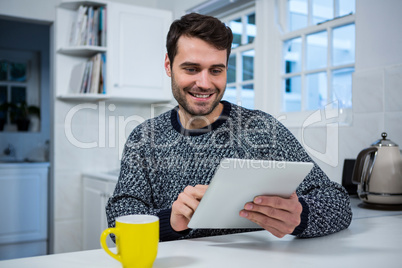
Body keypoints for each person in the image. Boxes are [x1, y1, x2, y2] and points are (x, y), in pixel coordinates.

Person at [106, 13, 352, 242]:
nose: (204, 83)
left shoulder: (262, 130)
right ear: (169, 66)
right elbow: (119, 222)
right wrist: (169, 221)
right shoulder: (145, 137)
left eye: (216, 70)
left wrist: (301, 217)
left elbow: (337, 203)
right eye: (191, 69)